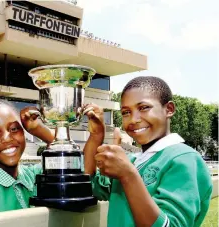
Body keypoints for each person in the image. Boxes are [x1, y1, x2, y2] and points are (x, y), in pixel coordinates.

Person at [85, 76, 213, 227]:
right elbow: (90, 186)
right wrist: (96, 136)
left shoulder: (184, 159)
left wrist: (128, 175)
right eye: (126, 112)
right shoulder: (133, 161)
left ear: (169, 109)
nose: (133, 119)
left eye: (144, 108)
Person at [0, 100, 105, 218]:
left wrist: (38, 129)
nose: (7, 138)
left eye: (14, 129)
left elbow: (79, 172)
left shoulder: (34, 176)